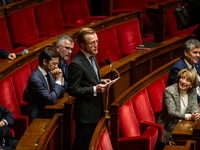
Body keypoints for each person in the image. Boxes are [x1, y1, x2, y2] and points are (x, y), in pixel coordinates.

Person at [68, 28, 111, 150]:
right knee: (82, 145)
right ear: (82, 45)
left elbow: (89, 78)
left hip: (96, 111)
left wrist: (100, 81)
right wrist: (94, 89)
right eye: (92, 43)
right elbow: (73, 89)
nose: (96, 45)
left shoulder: (92, 56)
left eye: (97, 41)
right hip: (86, 116)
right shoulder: (76, 63)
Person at [157, 68, 200, 149]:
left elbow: (194, 106)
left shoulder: (192, 91)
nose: (183, 81)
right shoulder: (169, 91)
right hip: (169, 129)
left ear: (192, 85)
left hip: (184, 126)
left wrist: (196, 114)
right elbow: (172, 112)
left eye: (187, 80)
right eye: (182, 78)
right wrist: (189, 116)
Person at [26, 46, 66, 125]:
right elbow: (51, 99)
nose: (56, 67)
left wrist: (60, 79)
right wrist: (58, 81)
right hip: (38, 118)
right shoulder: (35, 78)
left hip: (48, 112)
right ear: (44, 62)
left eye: (57, 63)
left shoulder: (49, 73)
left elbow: (61, 94)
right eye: (54, 63)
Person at [167, 38, 200, 103]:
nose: (198, 55)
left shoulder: (197, 62)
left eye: (199, 53)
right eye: (195, 52)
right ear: (186, 53)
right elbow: (183, 96)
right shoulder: (177, 69)